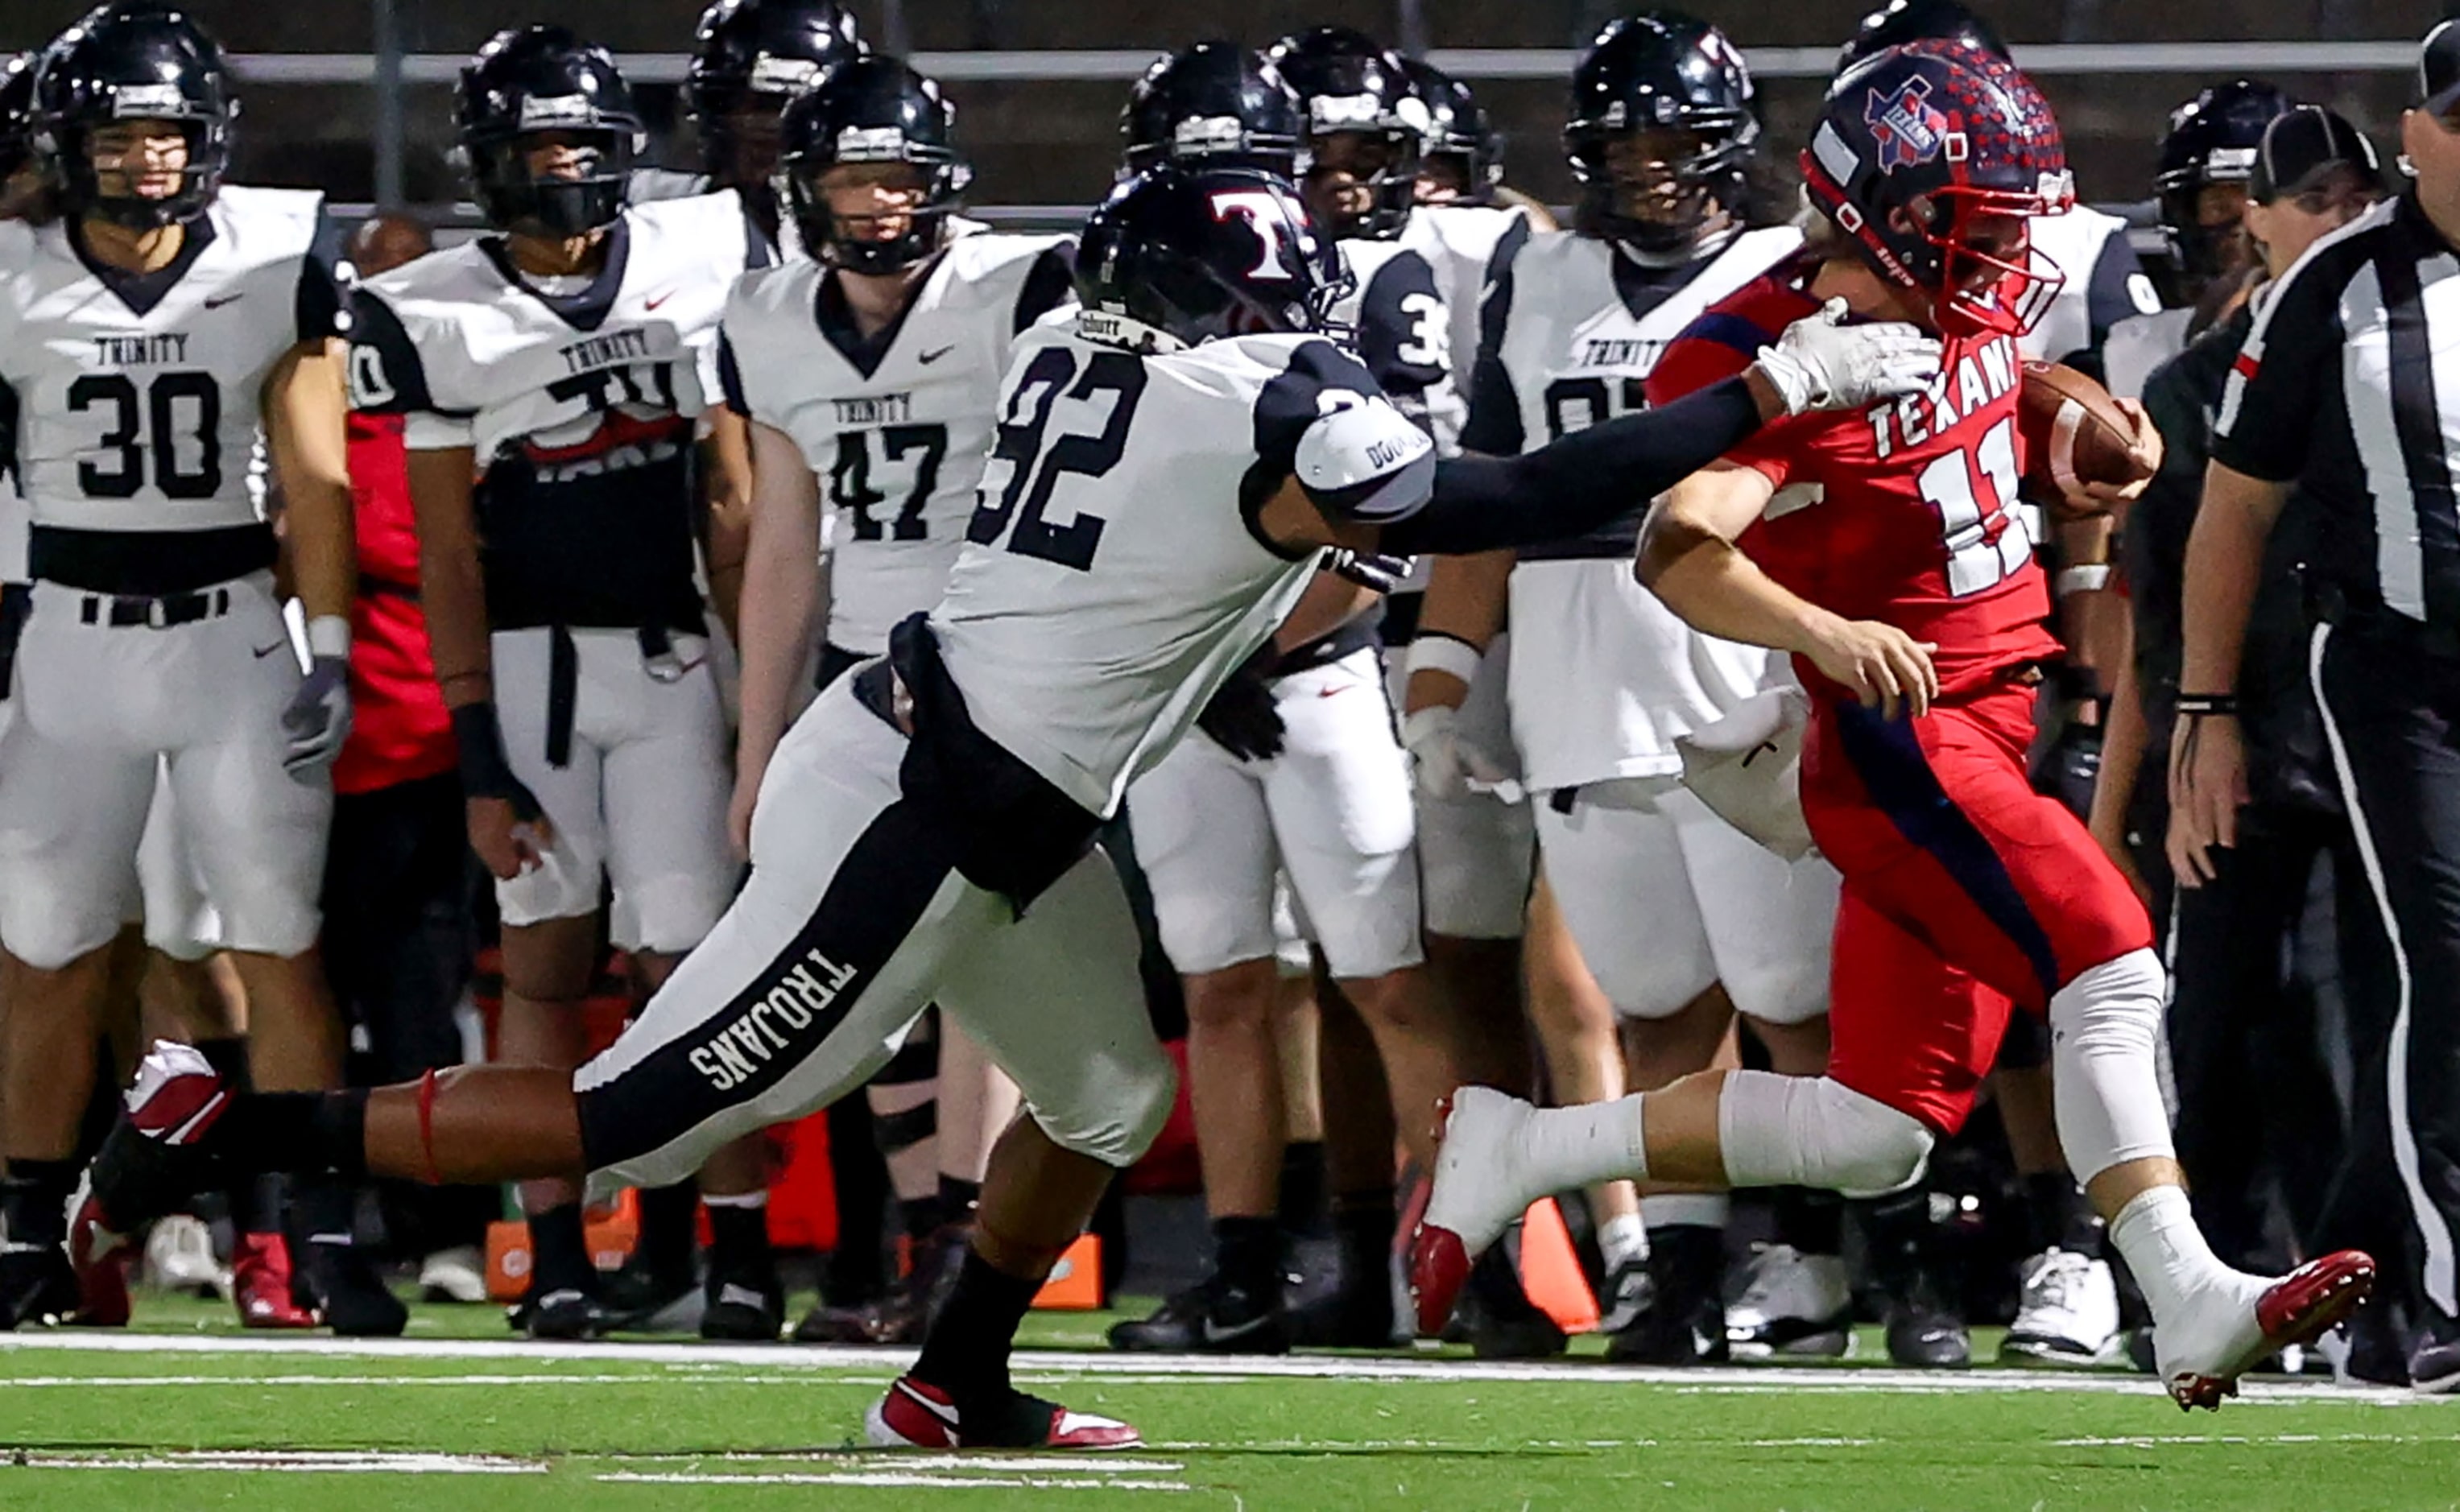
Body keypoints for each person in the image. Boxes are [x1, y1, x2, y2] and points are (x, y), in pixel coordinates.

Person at [79, 160, 1933, 1448]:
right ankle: (220, 1123)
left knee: (1108, 1094)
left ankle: (951, 1375)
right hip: (924, 803)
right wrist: (1768, 392)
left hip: (988, 788)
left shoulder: (1077, 349)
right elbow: (1502, 507)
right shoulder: (1248, 406)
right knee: (636, 1117)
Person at [1410, 37, 2375, 1413]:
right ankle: (2188, 1295)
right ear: (1890, 210)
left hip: (1988, 712)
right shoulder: (1766, 348)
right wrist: (1826, 632)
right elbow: (1680, 544)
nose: (2001, 254)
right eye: (1973, 223)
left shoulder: (1951, 287)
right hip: (1902, 735)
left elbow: (1994, 388)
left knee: (1875, 1131)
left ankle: (1519, 1148)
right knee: (2108, 959)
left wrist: (2086, 433)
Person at [1408, 9, 1837, 1368]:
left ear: (1730, 141)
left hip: (1741, 657)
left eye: (1672, 135)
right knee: (1656, 1001)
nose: (1647, 164)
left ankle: (1829, 1262)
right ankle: (1688, 1270)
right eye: (1621, 140)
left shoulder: (1794, 264)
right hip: (1578, 673)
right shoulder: (1537, 277)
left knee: (1793, 992)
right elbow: (1485, 492)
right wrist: (1437, 679)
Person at [343, 24, 769, 1341]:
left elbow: (739, 495)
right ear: (488, 163)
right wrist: (478, 755)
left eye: (587, 141)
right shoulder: (428, 309)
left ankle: (732, 1253)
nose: (568, 167)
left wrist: (765, 698)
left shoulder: (703, 251)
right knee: (541, 966)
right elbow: (448, 553)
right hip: (532, 678)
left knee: (693, 965)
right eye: (540, 146)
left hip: (673, 652)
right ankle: (557, 1255)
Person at [0, 1, 384, 1333]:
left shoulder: (278, 253)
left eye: (169, 132)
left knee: (279, 945)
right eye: (121, 132)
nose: (151, 158)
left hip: (229, 631)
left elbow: (319, 474)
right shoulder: (11, 266)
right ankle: (27, 1234)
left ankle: (307, 1233)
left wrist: (328, 645)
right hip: (66, 634)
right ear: (64, 142)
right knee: (47, 952)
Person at [718, 54, 1076, 1347]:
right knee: (871, 968)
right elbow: (780, 548)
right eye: (855, 178)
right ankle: (932, 1223)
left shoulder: (1020, 284)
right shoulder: (764, 315)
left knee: (974, 950)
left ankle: (961, 1228)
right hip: (865, 673)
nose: (878, 204)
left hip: (1007, 663)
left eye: (899, 177)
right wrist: (758, 749)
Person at [1103, 37, 1437, 1357]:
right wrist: (1198, 658)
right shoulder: (1101, 289)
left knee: (1387, 979)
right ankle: (1242, 1270)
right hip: (1188, 688)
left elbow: (1395, 516)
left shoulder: (1366, 285)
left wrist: (1251, 647)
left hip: (1314, 666)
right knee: (1222, 986)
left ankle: (1473, 1247)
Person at [2172, 20, 2460, 1394]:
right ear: (2415, 135)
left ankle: (2373, 1266)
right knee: (2442, 972)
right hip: (2402, 669)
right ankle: (2448, 1291)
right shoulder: (2338, 283)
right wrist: (2204, 706)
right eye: (2459, 125)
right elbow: (2235, 509)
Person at [2085, 102, 2390, 1378]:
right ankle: (2205, 1281)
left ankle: (2367, 1284)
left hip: (2378, 738)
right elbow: (2153, 606)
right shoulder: (2182, 384)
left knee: (2365, 1021)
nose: (2335, 219)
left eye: (2347, 194)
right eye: (2304, 196)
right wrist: (2126, 791)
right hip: (2237, 740)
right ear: (2252, 218)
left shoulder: (2414, 342)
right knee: (2211, 1024)